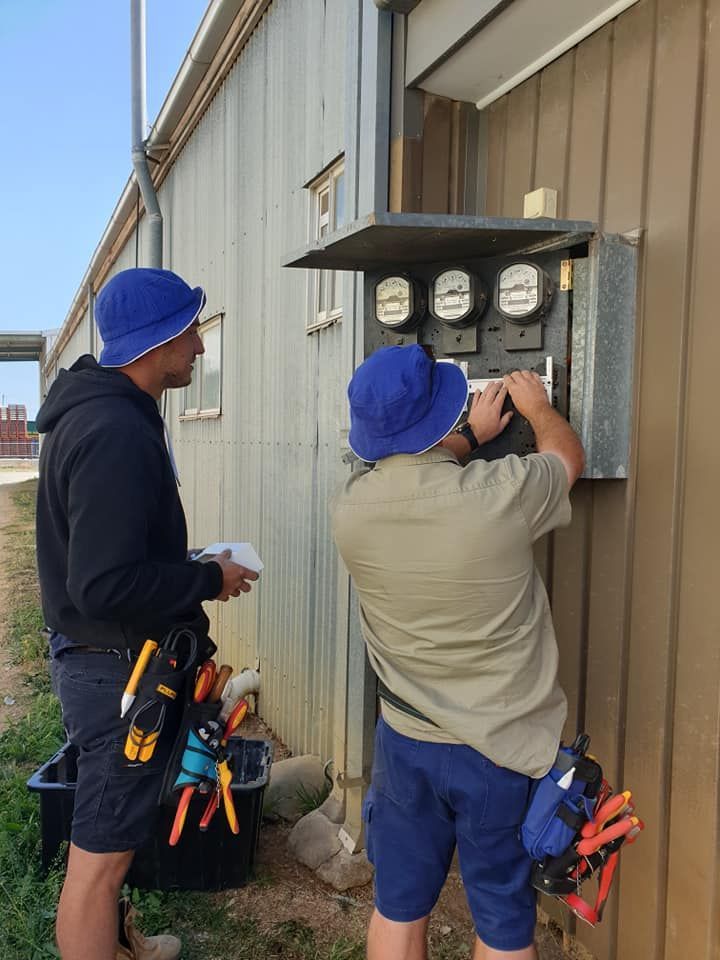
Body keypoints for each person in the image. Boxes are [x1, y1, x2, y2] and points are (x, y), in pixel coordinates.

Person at [330, 344, 585, 960]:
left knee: (398, 905)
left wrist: (466, 436)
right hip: (498, 750)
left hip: (404, 742)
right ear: (445, 414)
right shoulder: (504, 494)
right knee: (500, 917)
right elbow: (565, 459)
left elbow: (418, 480)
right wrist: (537, 407)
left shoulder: (350, 509)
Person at [36, 268, 259, 960]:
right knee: (97, 866)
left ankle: (119, 943)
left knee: (116, 843)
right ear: (157, 340)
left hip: (112, 662)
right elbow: (102, 583)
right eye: (191, 329)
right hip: (118, 676)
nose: (199, 345)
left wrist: (192, 565)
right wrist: (203, 577)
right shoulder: (115, 433)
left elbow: (109, 556)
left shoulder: (105, 415)